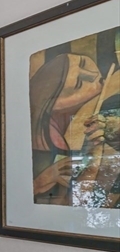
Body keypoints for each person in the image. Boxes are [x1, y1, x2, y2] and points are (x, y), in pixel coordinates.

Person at [29, 53, 104, 203]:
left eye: (83, 62)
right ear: (57, 103)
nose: (95, 75)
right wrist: (39, 183)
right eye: (79, 83)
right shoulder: (49, 143)